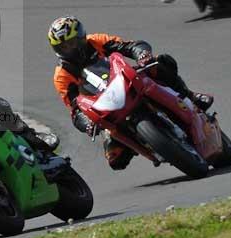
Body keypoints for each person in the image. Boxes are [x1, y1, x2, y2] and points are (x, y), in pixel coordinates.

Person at [48, 16, 214, 171]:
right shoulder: (61, 75)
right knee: (116, 160)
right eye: (64, 47)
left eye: (72, 43)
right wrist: (87, 123)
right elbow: (75, 109)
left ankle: (190, 96)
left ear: (82, 37)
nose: (70, 49)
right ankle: (148, 145)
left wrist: (142, 54)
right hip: (105, 106)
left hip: (127, 80)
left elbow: (128, 46)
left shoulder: (96, 41)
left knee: (158, 64)